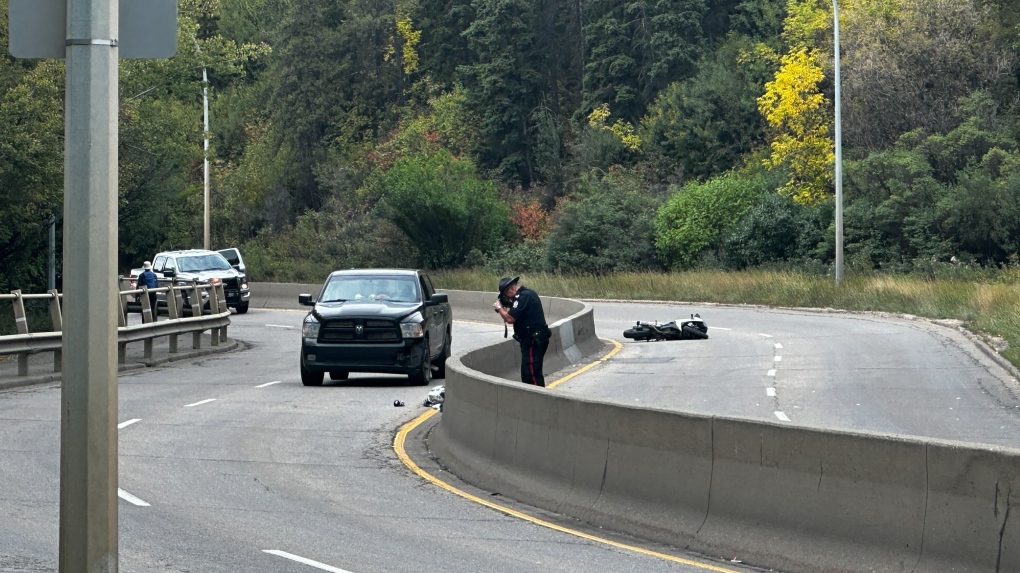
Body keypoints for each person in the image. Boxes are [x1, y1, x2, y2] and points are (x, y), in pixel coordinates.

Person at [493, 276, 551, 387]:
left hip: (533, 341)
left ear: (510, 289)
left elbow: (510, 318)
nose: (507, 298)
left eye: (506, 294)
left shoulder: (523, 296)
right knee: (526, 373)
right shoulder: (526, 295)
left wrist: (500, 308)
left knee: (532, 375)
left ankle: (537, 399)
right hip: (531, 340)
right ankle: (531, 399)